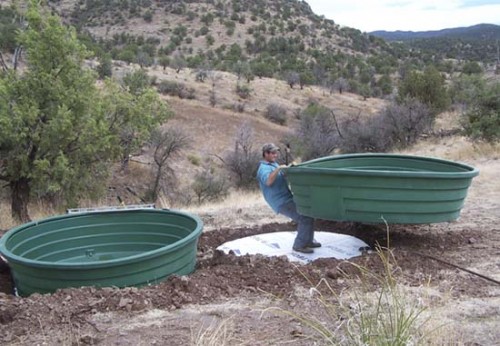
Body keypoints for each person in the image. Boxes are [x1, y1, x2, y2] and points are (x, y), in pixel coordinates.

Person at [257, 143, 321, 254]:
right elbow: (268, 181)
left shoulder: (274, 164)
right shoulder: (263, 168)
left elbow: (283, 176)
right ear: (265, 154)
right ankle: (299, 245)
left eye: (276, 152)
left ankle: (309, 241)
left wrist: (290, 168)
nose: (275, 155)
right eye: (272, 153)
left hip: (287, 197)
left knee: (308, 213)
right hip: (280, 201)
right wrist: (278, 169)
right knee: (303, 217)